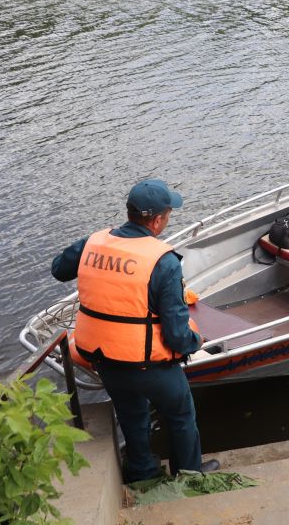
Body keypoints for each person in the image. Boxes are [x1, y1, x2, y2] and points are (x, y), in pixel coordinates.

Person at [51, 179, 219, 482]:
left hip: (103, 359)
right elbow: (176, 333)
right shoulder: (163, 261)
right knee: (181, 414)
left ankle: (142, 472)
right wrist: (195, 342)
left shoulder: (94, 242)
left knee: (131, 413)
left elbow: (59, 269)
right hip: (147, 364)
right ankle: (189, 476)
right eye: (168, 215)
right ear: (156, 221)